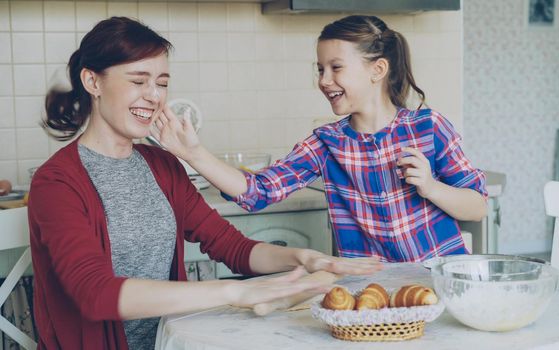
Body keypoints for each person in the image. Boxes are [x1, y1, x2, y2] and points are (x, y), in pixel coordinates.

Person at [28, 17, 382, 350]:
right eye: (138, 81)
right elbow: (95, 294)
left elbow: (232, 247)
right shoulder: (57, 183)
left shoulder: (163, 166)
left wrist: (304, 258)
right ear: (93, 82)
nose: (154, 96)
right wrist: (233, 293)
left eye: (162, 83)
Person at [153, 15, 487, 263]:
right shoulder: (326, 143)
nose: (324, 81)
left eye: (336, 67)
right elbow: (258, 192)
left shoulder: (428, 127)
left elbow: (478, 206)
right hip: (374, 294)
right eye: (320, 69)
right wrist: (194, 153)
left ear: (378, 70)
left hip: (443, 285)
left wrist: (431, 187)